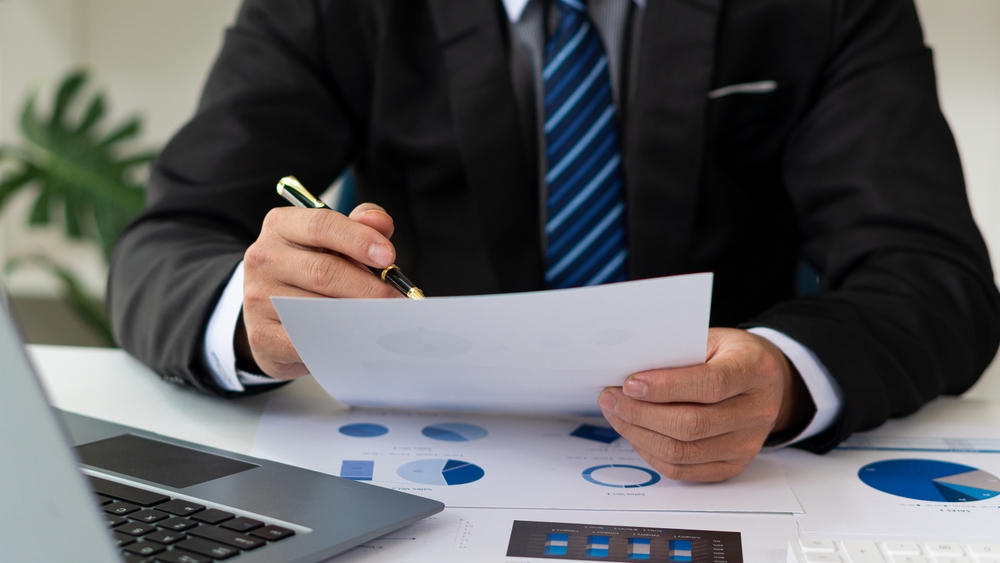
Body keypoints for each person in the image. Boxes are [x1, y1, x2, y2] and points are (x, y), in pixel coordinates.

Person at [109, 0, 1000, 482]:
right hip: (429, 468)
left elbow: (931, 273)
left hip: (732, 472)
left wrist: (785, 374)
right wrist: (248, 311)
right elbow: (169, 239)